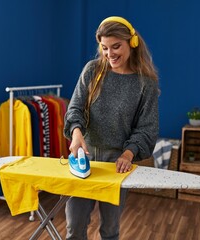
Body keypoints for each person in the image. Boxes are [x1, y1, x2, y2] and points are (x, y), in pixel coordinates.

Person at [63, 16, 160, 240]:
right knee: (74, 227)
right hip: (84, 158)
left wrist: (128, 154)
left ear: (132, 43)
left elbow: (147, 127)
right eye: (105, 48)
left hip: (118, 163)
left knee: (109, 230)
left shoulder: (146, 83)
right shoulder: (92, 71)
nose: (110, 54)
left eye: (116, 46)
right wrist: (76, 134)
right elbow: (75, 108)